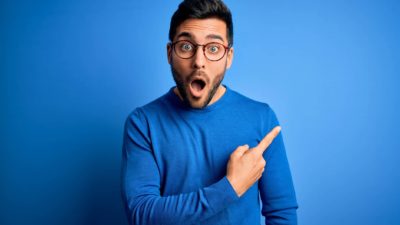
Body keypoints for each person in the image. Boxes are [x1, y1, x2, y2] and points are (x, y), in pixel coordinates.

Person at [121, 0, 298, 224]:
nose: (199, 62)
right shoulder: (143, 123)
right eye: (186, 46)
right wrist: (230, 188)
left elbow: (282, 214)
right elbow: (141, 213)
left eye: (213, 48)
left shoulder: (261, 119)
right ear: (169, 53)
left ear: (229, 57)